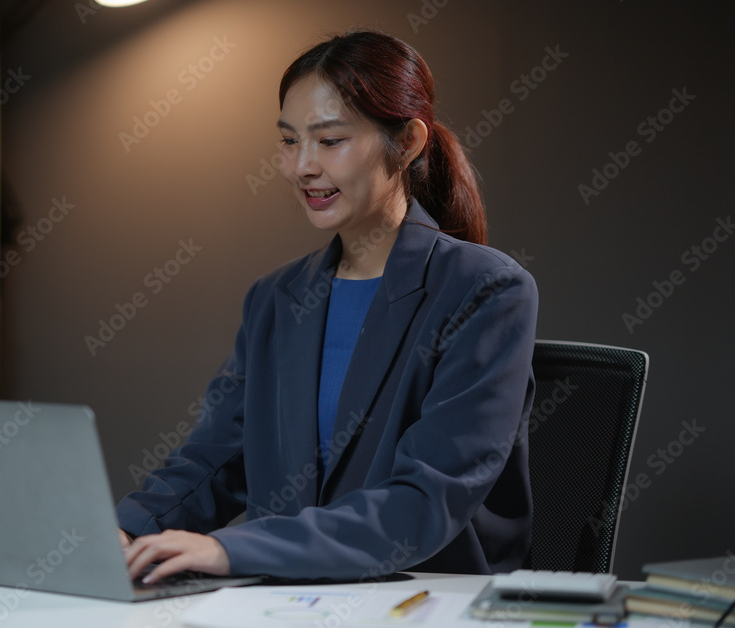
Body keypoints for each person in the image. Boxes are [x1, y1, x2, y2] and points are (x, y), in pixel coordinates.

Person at [117, 30, 538, 584]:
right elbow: (215, 460)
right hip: (288, 602)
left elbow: (427, 498)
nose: (301, 168)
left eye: (330, 140)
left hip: (425, 599)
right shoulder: (275, 298)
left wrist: (234, 550)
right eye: (289, 142)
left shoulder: (486, 290)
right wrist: (128, 529)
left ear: (408, 141)